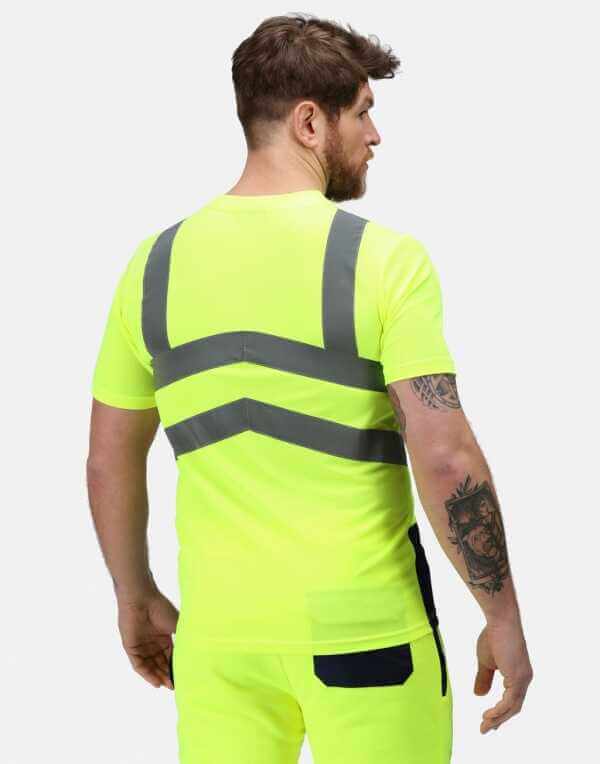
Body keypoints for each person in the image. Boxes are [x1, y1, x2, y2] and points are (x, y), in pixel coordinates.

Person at [87, 12, 533, 763]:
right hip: (367, 640)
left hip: (219, 643)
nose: (375, 136)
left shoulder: (151, 268)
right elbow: (446, 457)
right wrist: (503, 616)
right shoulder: (384, 261)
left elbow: (109, 458)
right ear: (308, 122)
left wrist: (135, 597)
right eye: (362, 112)